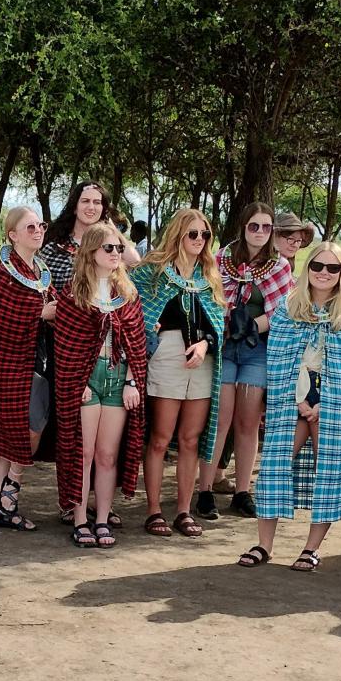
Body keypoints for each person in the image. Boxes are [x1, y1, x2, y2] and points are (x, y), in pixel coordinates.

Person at [239, 241, 341, 569]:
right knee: (274, 468)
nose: (324, 273)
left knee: (330, 471)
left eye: (332, 268)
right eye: (317, 266)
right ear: (307, 269)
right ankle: (263, 545)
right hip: (290, 401)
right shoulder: (287, 308)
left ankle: (311, 548)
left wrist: (323, 405)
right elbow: (278, 358)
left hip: (332, 406)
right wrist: (298, 401)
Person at [134, 208, 226, 538]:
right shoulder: (153, 273)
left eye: (205, 235)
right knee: (160, 438)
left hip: (201, 360)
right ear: (178, 235)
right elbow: (134, 308)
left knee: (190, 439)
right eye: (193, 234)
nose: (199, 240)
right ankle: (154, 510)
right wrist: (150, 330)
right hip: (167, 355)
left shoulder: (210, 276)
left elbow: (219, 323)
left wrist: (204, 346)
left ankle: (184, 511)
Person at [197, 202, 291, 520]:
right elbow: (210, 296)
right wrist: (227, 321)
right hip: (224, 345)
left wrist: (252, 325)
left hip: (256, 347)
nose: (261, 233)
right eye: (255, 226)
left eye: (267, 227)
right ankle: (205, 491)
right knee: (220, 420)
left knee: (248, 422)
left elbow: (280, 309)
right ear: (244, 226)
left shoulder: (279, 265)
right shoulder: (222, 257)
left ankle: (241, 492)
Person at [55, 222, 146, 547]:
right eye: (109, 248)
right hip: (86, 381)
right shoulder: (73, 295)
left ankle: (103, 518)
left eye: (119, 248)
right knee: (85, 452)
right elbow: (65, 346)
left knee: (108, 455)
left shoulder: (128, 294)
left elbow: (137, 343)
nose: (115, 254)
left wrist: (133, 381)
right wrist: (77, 382)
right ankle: (80, 519)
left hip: (119, 379)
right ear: (91, 252)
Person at [0, 206, 53, 530]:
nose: (37, 231)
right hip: (10, 362)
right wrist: (40, 313)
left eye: (40, 225)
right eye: (30, 227)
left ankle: (4, 508)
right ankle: (7, 501)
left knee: (32, 428)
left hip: (39, 360)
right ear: (12, 235)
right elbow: (1, 320)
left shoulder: (41, 270)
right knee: (22, 433)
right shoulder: (3, 272)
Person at [42, 181, 140, 290]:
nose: (91, 207)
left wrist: (113, 228)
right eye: (85, 201)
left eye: (97, 202)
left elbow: (134, 261)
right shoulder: (54, 247)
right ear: (75, 207)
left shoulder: (108, 246)